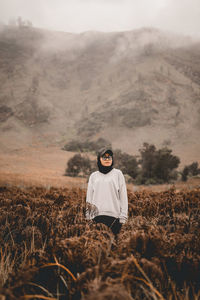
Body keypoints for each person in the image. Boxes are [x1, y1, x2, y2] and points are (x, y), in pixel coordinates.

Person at [86, 147, 128, 235]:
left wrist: (123, 217)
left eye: (109, 157)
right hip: (96, 217)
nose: (107, 159)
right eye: (104, 157)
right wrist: (89, 217)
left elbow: (123, 197)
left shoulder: (118, 174)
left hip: (114, 218)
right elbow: (89, 198)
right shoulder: (94, 176)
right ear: (99, 159)